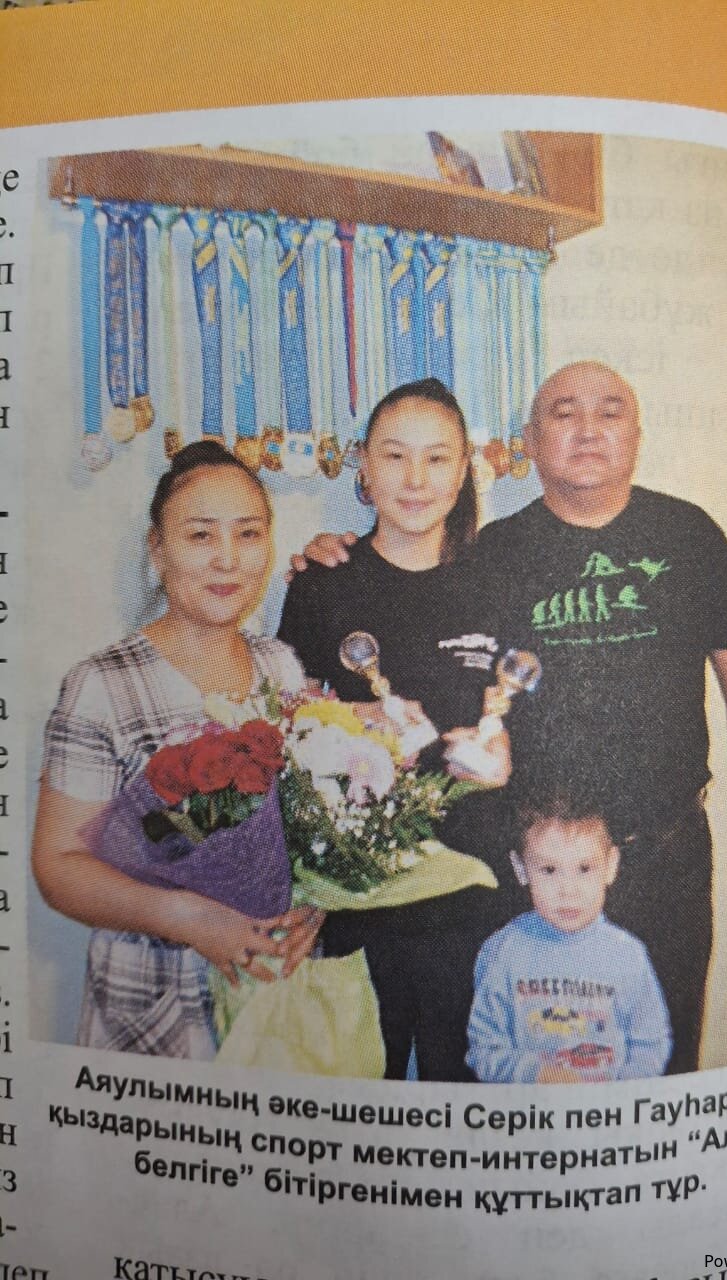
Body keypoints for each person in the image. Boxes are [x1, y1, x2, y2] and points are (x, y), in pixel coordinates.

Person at [294, 360, 727, 1074]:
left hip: (666, 852)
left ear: (638, 434)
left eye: (610, 412)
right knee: (538, 1068)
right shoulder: (493, 556)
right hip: (535, 868)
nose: (588, 429)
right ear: (528, 441)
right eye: (563, 413)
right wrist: (323, 553)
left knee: (661, 1059)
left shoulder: (688, 534)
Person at [32, 442, 320, 1059]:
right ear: (157, 549)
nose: (227, 558)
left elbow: (315, 829)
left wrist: (318, 905)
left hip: (273, 996)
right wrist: (185, 917)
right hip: (154, 999)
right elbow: (58, 866)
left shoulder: (282, 669)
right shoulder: (103, 685)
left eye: (248, 533)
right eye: (200, 535)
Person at [276, 377, 511, 1082]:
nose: (415, 479)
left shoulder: (495, 584)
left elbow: (521, 719)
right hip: (354, 894)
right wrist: (358, 721)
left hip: (468, 891)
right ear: (363, 466)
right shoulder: (322, 583)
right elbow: (283, 726)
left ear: (463, 472)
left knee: (459, 1100)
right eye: (394, 455)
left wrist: (502, 759)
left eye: (437, 459)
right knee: (355, 1101)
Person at [467, 785, 671, 1084]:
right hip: (527, 1108)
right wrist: (535, 1074)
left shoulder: (628, 955)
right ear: (521, 869)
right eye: (549, 870)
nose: (568, 891)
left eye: (584, 869)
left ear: (611, 865)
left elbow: (650, 1046)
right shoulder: (502, 952)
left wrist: (619, 1097)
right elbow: (485, 1050)